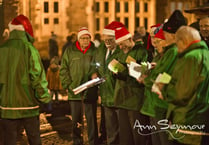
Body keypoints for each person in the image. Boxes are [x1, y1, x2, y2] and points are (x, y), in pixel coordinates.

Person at [0, 14, 51, 145]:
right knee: (34, 139)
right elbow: (37, 77)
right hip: (29, 105)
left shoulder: (2, 50)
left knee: (8, 140)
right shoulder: (29, 49)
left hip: (7, 107)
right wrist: (44, 98)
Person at [140, 10, 187, 145]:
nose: (163, 37)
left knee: (163, 139)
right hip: (158, 102)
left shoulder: (173, 51)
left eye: (165, 34)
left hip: (164, 103)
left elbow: (167, 75)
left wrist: (148, 80)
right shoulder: (169, 51)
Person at [161, 26, 209, 145]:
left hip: (187, 118)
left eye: (177, 43)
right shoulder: (205, 54)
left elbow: (182, 93)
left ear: (183, 41)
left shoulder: (190, 57)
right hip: (200, 116)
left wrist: (164, 90)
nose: (177, 47)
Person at [60, 27, 98, 145]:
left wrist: (95, 73)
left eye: (88, 38)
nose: (86, 41)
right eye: (83, 38)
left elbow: (98, 65)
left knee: (91, 119)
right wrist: (68, 84)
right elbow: (64, 68)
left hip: (89, 90)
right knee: (76, 120)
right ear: (78, 39)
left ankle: (93, 141)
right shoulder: (70, 51)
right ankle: (77, 141)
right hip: (74, 90)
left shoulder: (94, 50)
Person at [113, 26, 150, 145]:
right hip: (122, 96)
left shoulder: (142, 51)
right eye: (118, 45)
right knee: (125, 133)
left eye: (122, 44)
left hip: (135, 97)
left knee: (137, 131)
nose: (120, 47)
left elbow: (143, 73)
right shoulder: (121, 52)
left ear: (129, 39)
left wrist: (124, 74)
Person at [95, 21, 124, 145]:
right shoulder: (102, 49)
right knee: (110, 127)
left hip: (119, 94)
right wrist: (95, 73)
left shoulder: (121, 50)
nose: (107, 42)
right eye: (106, 39)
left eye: (110, 40)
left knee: (122, 128)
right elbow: (97, 65)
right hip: (106, 93)